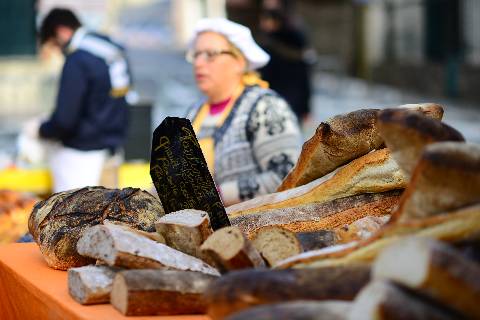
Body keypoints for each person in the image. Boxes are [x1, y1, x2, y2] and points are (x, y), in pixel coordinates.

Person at [185, 18, 303, 206]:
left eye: (210, 54)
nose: (199, 63)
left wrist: (219, 195)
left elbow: (288, 174)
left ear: (239, 61)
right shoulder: (193, 113)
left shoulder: (265, 107)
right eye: (196, 54)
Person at [33, 8, 132, 193]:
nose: (59, 52)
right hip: (112, 148)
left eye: (54, 45)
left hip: (80, 156)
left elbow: (65, 120)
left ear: (61, 31)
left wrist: (41, 129)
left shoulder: (78, 59)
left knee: (70, 217)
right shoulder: (109, 46)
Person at [258, 6, 315, 125]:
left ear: (276, 21)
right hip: (292, 101)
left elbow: (304, 77)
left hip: (277, 100)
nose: (262, 24)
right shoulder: (297, 43)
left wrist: (306, 108)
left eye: (265, 20)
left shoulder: (271, 45)